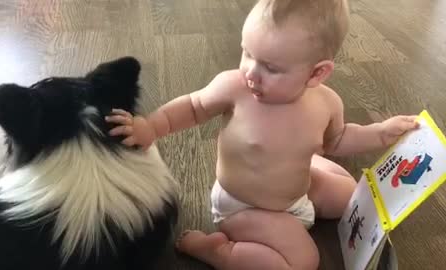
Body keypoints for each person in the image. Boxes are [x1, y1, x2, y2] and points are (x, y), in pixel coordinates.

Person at [105, 0, 419, 269]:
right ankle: (220, 252)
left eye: (270, 67)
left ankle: (310, 180)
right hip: (245, 207)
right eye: (247, 53)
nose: (251, 72)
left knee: (349, 195)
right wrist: (152, 127)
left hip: (296, 193)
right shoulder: (235, 88)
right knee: (304, 261)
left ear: (316, 73)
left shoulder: (326, 103)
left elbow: (335, 141)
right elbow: (192, 106)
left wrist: (379, 134)